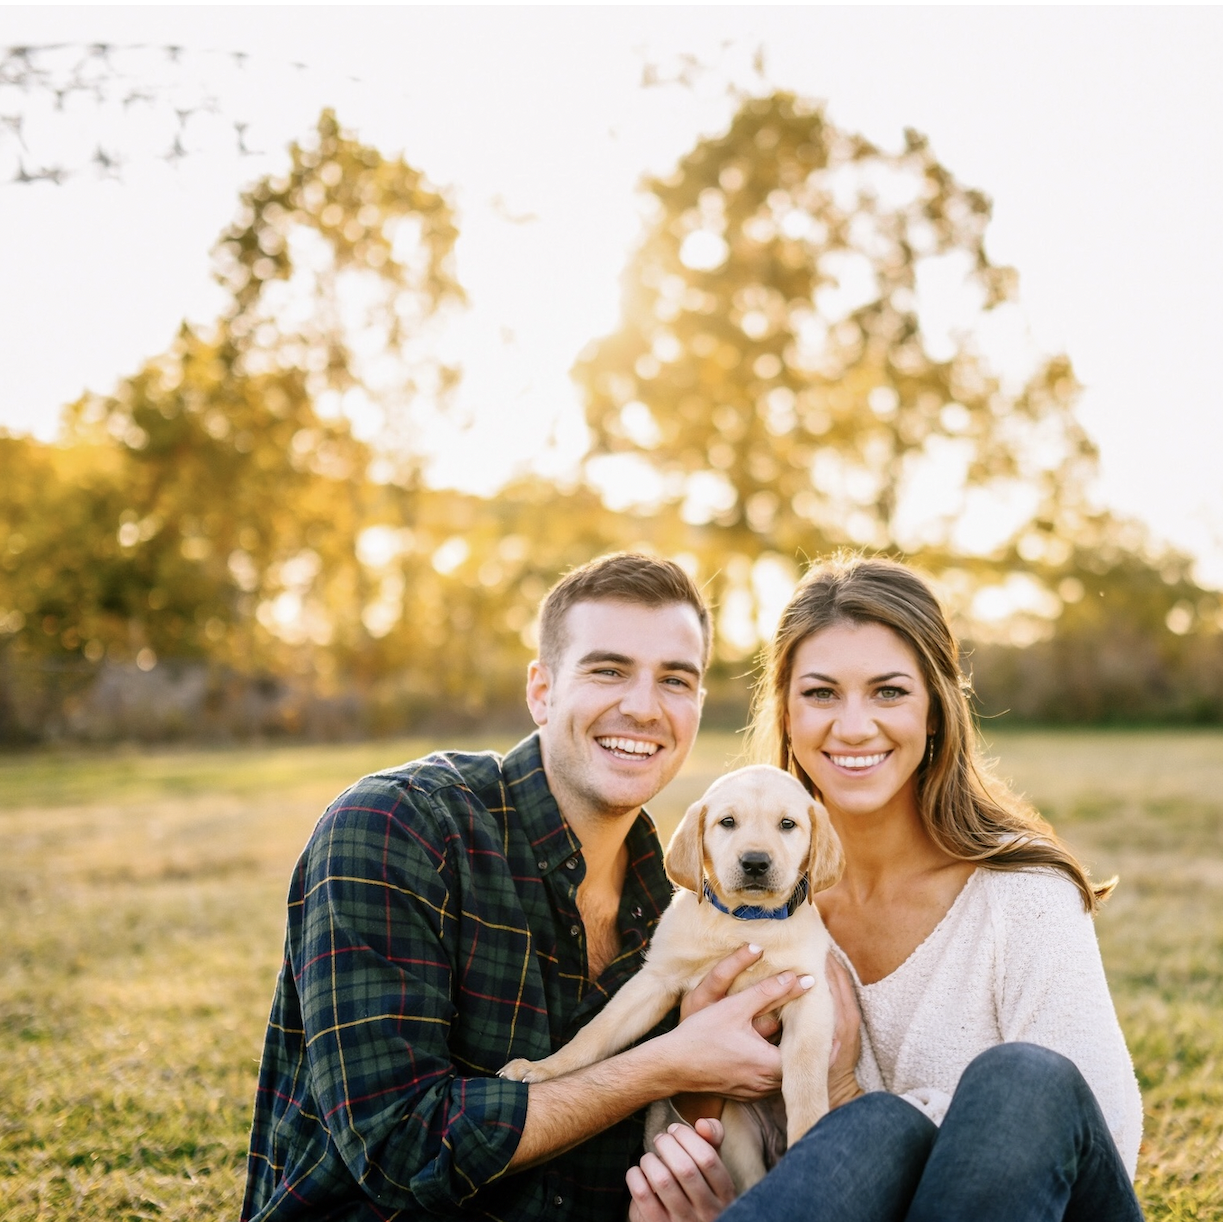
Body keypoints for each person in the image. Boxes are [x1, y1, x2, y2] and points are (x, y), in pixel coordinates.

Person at [241, 552, 816, 1222]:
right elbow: (402, 1143)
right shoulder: (402, 825)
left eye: (675, 680)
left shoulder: (672, 907)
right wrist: (662, 1064)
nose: (642, 706)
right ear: (541, 690)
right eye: (608, 670)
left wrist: (699, 1189)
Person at [627, 555, 1144, 1222]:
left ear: (935, 710)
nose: (851, 726)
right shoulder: (749, 914)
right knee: (879, 1128)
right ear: (785, 712)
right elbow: (732, 1127)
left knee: (1016, 1079)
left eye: (888, 691)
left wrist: (841, 1088)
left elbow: (1088, 1135)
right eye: (820, 693)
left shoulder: (1023, 895)